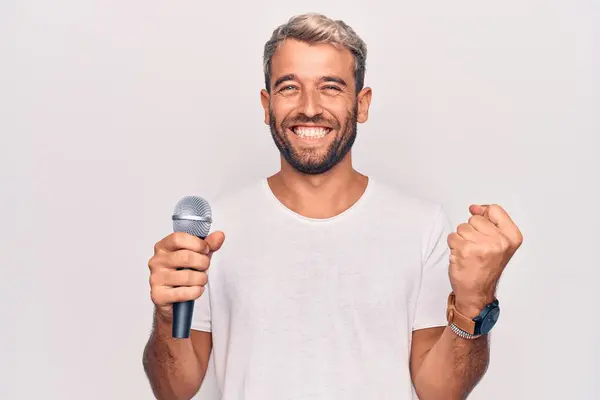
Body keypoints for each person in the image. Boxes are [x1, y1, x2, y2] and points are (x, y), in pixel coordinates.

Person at [142, 13, 523, 400]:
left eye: (331, 87)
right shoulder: (214, 232)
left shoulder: (422, 226)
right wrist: (167, 316)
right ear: (266, 103)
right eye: (289, 87)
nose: (310, 107)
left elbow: (441, 391)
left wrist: (475, 301)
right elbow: (173, 391)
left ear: (361, 104)